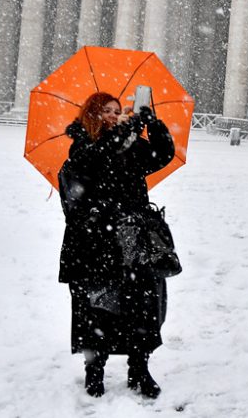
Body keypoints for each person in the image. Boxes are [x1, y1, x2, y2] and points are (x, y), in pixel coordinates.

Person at [58, 92, 176, 398]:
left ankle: (140, 369)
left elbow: (162, 156)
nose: (113, 115)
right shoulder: (83, 143)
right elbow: (95, 158)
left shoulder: (130, 144)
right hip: (97, 241)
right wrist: (126, 131)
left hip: (133, 238)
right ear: (93, 115)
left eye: (116, 111)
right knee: (96, 309)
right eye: (107, 111)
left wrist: (154, 125)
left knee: (142, 305)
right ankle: (94, 370)